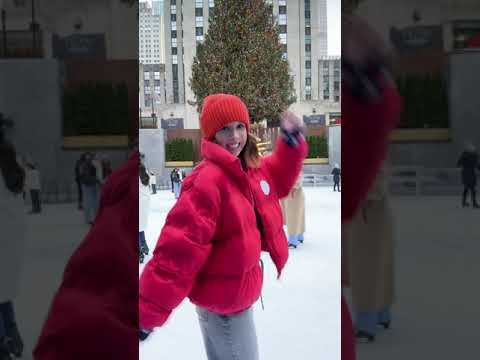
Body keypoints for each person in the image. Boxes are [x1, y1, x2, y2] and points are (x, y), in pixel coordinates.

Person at [139, 93, 308, 359]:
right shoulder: (207, 181)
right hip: (225, 309)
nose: (235, 136)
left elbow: (276, 177)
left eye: (240, 126)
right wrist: (148, 311)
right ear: (211, 135)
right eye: (225, 129)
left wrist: (289, 144)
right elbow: (178, 251)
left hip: (234, 298)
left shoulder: (247, 168)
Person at [342, 8, 401, 359]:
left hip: (369, 203)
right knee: (375, 261)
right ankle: (376, 313)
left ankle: (371, 316)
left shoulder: (373, 98)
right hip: (369, 200)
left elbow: (370, 135)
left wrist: (367, 74)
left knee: (369, 262)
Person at [345, 168, 395, 343]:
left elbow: (375, 185)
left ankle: (367, 323)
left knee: (367, 269)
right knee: (377, 267)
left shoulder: (370, 154)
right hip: (369, 218)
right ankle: (382, 314)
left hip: (368, 217)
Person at [0, 137, 26, 360]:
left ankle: (3, 345)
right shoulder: (14, 167)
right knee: (3, 292)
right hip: (11, 239)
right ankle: (13, 335)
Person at [281, 173, 306, 249]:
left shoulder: (295, 167)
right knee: (297, 216)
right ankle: (299, 236)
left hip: (293, 195)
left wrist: (292, 186)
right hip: (289, 194)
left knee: (293, 217)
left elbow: (298, 179)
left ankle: (293, 240)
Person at [78, 152, 99, 225]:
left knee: (88, 202)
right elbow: (97, 174)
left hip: (87, 184)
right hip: (91, 184)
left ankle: (89, 219)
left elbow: (81, 175)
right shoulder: (93, 164)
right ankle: (92, 218)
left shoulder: (82, 164)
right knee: (92, 203)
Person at [457, 142, 479, 208]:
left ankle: (464, 202)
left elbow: (458, 164)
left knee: (467, 188)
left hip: (466, 173)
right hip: (470, 173)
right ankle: (474, 203)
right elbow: (477, 165)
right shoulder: (473, 156)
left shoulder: (464, 155)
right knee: (472, 189)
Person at [139, 161, 151, 264]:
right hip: (144, 202)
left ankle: (139, 252)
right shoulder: (145, 171)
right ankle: (144, 246)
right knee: (140, 227)